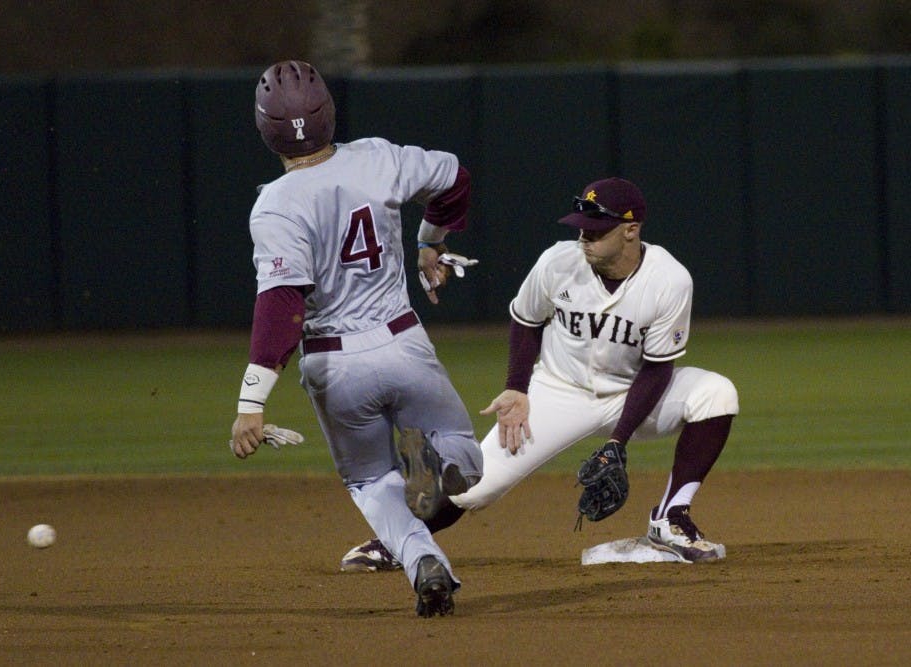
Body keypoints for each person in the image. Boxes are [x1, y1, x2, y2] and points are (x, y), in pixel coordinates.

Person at [345, 176, 739, 565]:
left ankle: (670, 518)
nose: (584, 238)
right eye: (582, 229)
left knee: (717, 393)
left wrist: (618, 442)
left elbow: (657, 370)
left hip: (635, 394)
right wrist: (517, 388)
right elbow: (526, 320)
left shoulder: (669, 280)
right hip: (559, 390)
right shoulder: (558, 261)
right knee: (474, 488)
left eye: (596, 231)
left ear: (631, 230)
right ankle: (397, 541)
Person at [229, 60, 483, 617]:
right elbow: (455, 179)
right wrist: (431, 242)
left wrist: (251, 402)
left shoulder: (274, 204)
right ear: (328, 112)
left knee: (371, 481)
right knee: (466, 453)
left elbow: (281, 306)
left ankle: (422, 563)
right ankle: (440, 465)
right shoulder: (379, 158)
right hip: (401, 341)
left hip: (335, 365)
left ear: (264, 127)